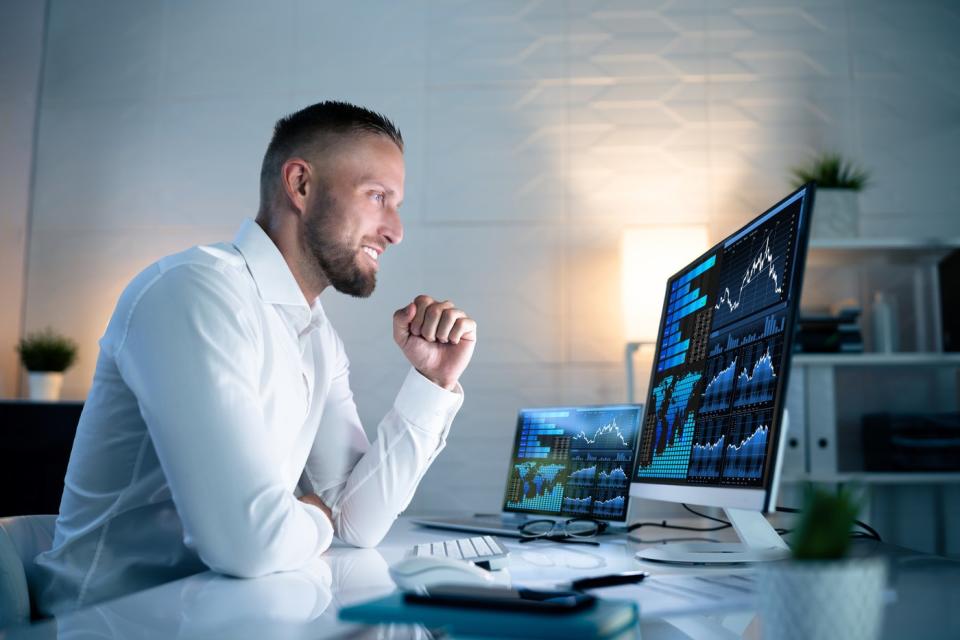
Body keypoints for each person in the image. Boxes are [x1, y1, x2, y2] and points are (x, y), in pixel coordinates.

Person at [33, 101, 476, 616]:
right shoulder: (194, 293)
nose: (395, 230)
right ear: (301, 186)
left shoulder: (316, 336)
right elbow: (246, 543)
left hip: (213, 616)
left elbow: (356, 523)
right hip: (104, 624)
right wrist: (313, 518)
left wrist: (432, 381)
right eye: (377, 197)